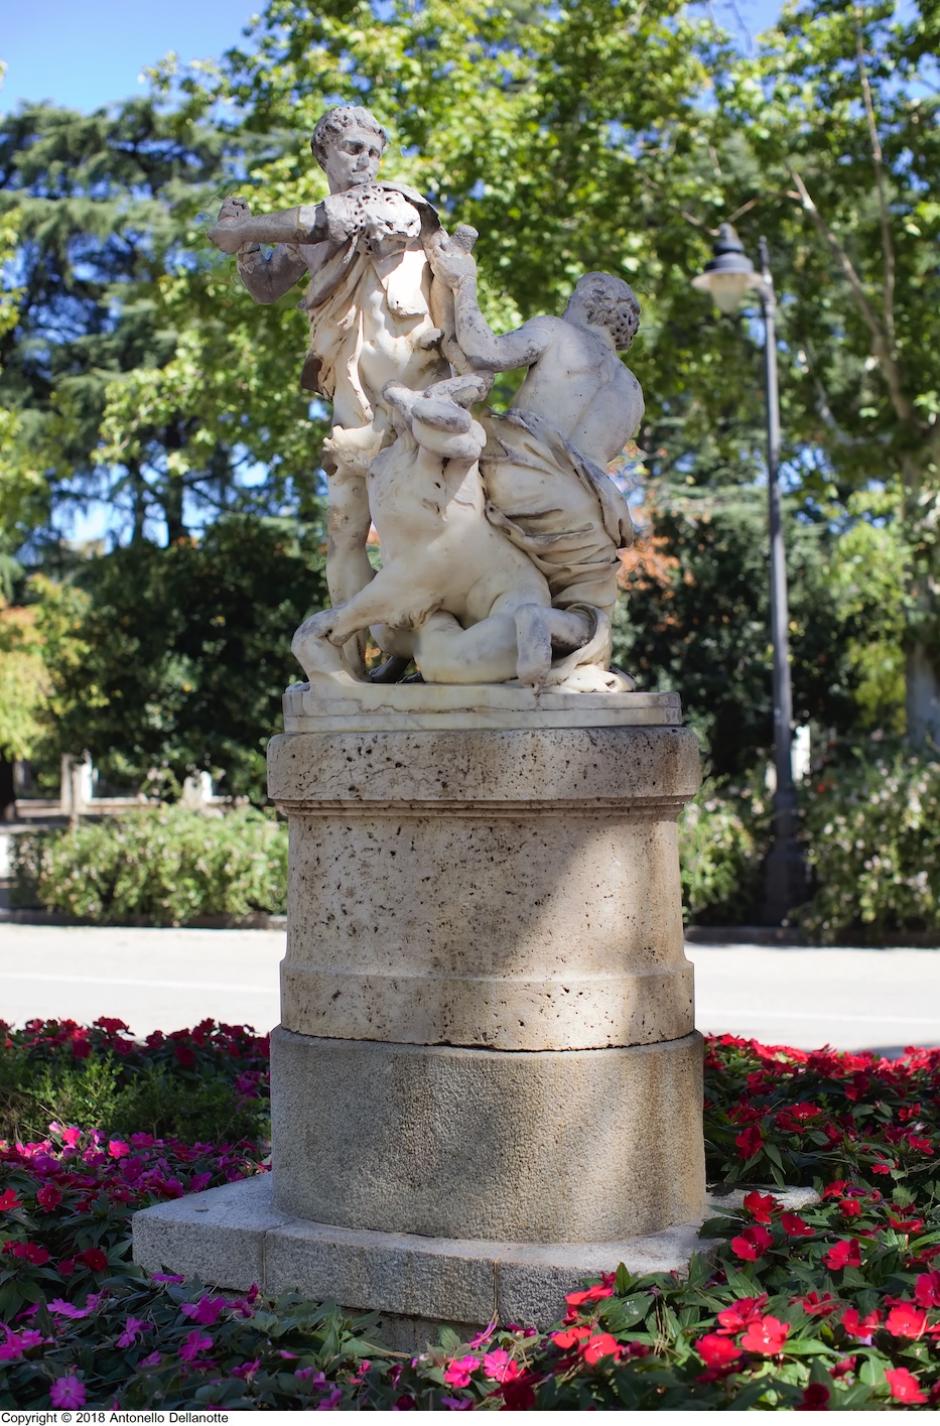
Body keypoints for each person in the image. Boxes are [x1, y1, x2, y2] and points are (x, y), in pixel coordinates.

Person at [209, 106, 458, 669]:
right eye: (351, 148)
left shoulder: (395, 202)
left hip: (418, 393)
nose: (365, 161)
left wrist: (243, 229)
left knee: (426, 525)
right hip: (352, 402)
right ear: (323, 153)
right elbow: (268, 287)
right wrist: (245, 246)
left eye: (372, 150)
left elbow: (338, 218)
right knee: (345, 528)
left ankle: (429, 645)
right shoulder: (312, 231)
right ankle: (346, 670)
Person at [428, 236, 643, 671]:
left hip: (520, 471)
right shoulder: (633, 391)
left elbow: (482, 351)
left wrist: (464, 284)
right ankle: (540, 623)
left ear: (588, 303)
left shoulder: (557, 332)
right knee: (588, 611)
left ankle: (423, 623)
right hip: (589, 514)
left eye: (574, 295)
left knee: (424, 455)